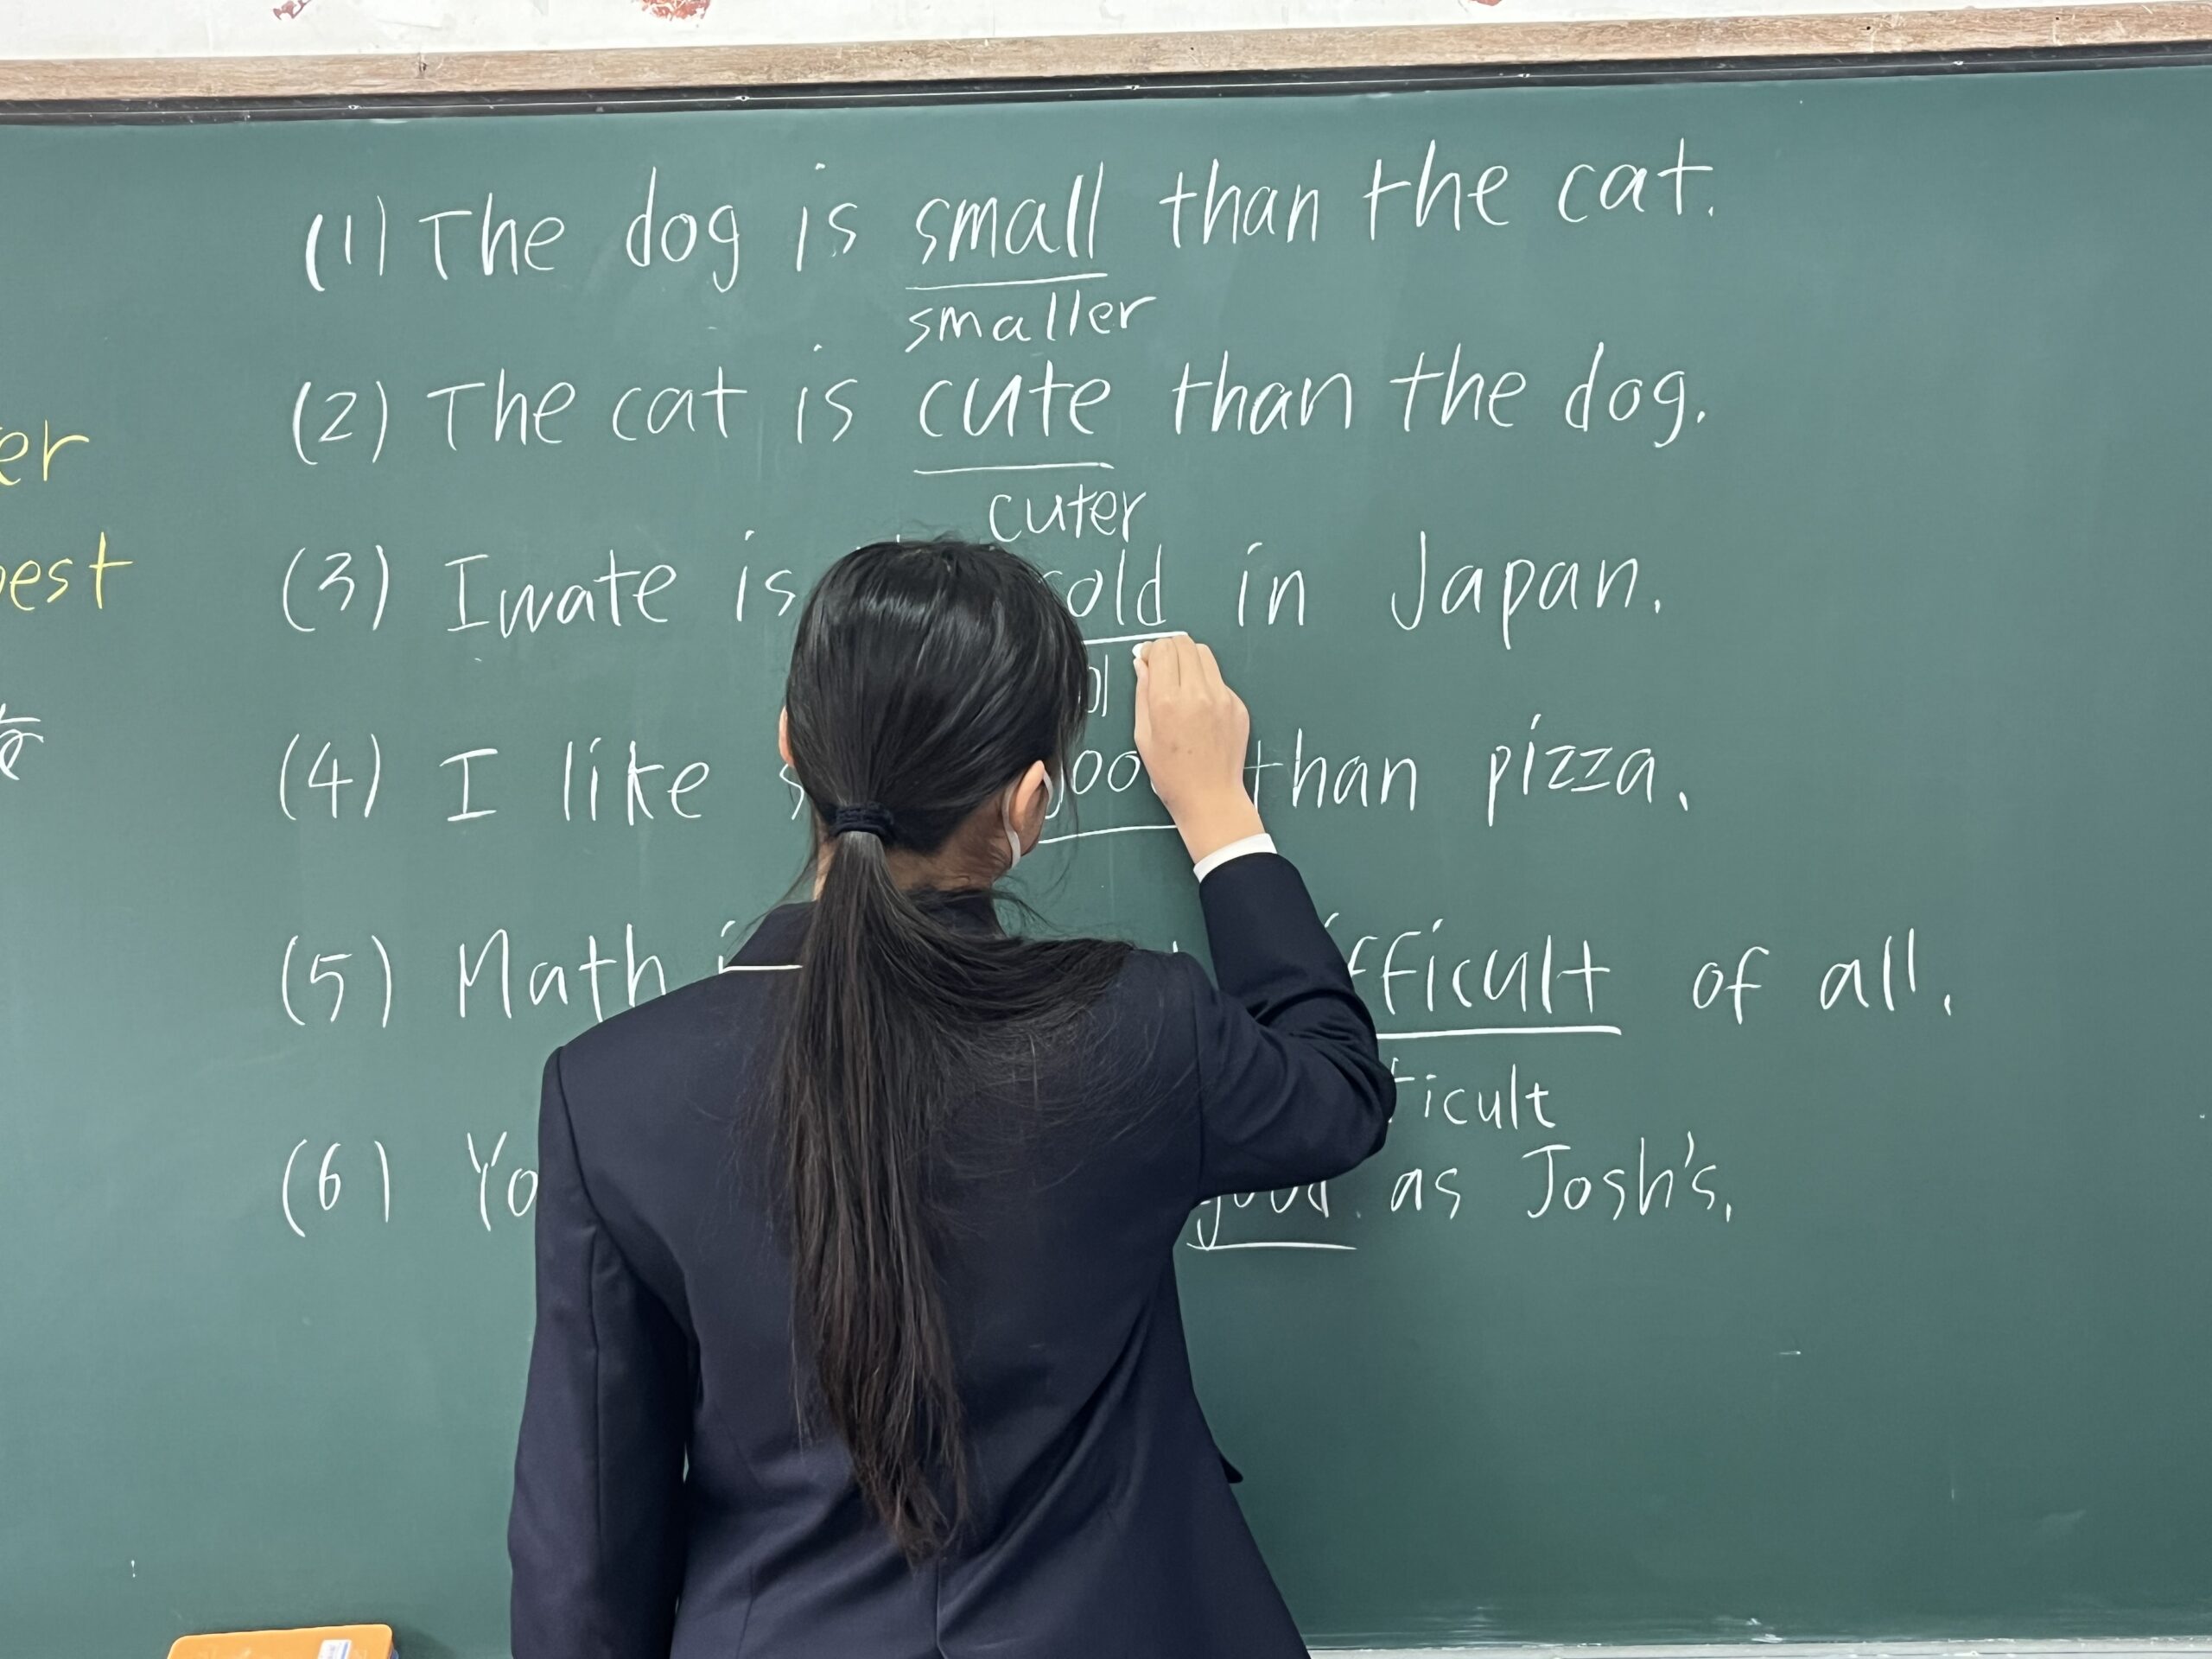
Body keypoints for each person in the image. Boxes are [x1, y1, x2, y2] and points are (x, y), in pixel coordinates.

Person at [509, 538, 1394, 1658]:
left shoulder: (608, 1092)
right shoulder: (1137, 1025)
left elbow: (584, 1541)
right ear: (1029, 802)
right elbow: (1337, 1091)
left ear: (791, 746)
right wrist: (1218, 811)